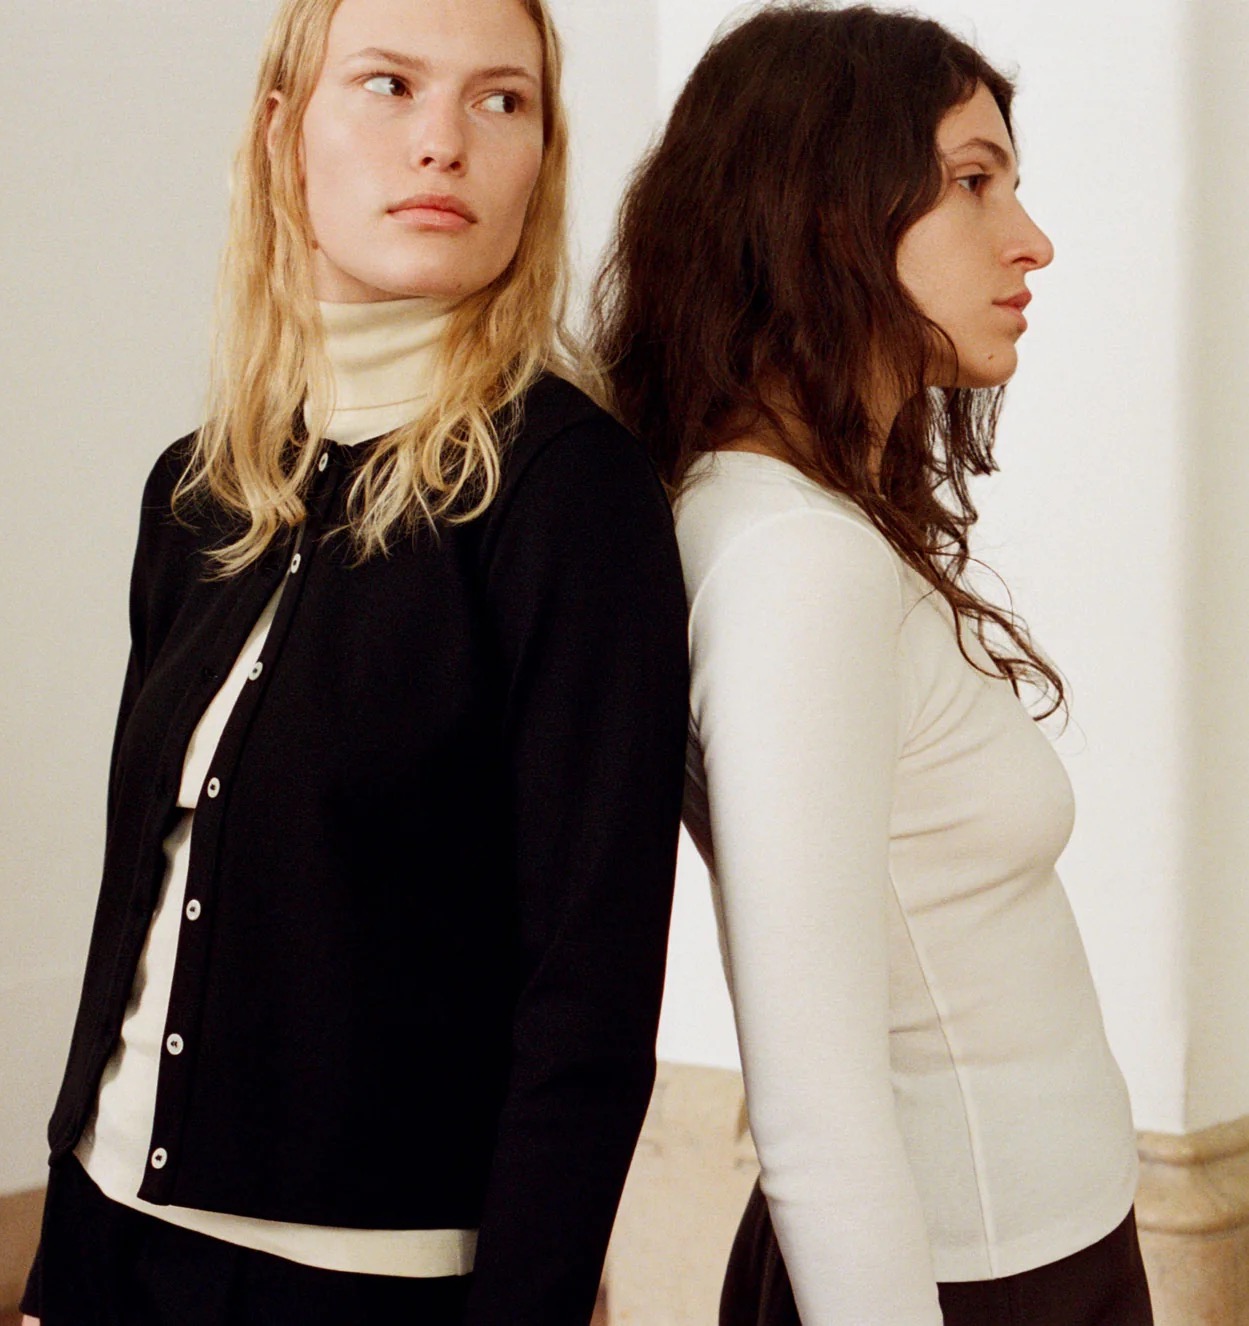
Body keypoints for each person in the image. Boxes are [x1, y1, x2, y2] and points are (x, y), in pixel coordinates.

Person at [22, 0, 688, 1322]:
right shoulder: (201, 486)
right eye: (388, 84)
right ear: (284, 132)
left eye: (502, 100)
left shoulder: (570, 495)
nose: (444, 140)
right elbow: (135, 903)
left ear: (541, 159)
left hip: (367, 1283)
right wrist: (55, 1260)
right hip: (106, 1236)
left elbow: (590, 992)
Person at [592, 5, 1153, 1323]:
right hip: (970, 1277)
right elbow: (815, 1099)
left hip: (1023, 1245)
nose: (1030, 238)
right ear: (825, 210)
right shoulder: (795, 562)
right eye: (972, 181)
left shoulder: (798, 521)